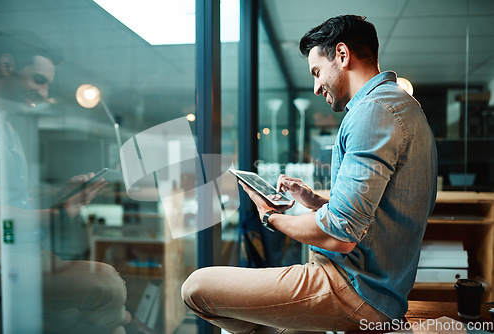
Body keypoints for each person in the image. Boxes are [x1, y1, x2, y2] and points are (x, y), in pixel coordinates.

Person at [181, 15, 437, 333]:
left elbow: (339, 235)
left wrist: (269, 217)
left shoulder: (373, 112)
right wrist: (315, 200)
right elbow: (372, 213)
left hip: (353, 290)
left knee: (195, 287)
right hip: (374, 289)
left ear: (342, 55)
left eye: (317, 72)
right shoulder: (401, 106)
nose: (316, 88)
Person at [0, 30, 155, 334]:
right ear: (5, 65)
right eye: (38, 80)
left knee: (108, 318)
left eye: (47, 85)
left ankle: (125, 323)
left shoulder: (8, 130)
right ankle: (129, 322)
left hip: (27, 252)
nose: (43, 93)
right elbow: (0, 218)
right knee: (107, 285)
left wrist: (61, 196)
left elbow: (14, 206)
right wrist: (60, 212)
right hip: (7, 261)